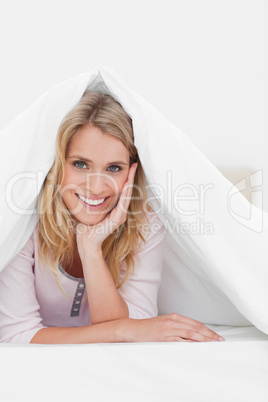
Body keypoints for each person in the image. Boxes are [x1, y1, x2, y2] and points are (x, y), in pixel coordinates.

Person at [0, 91, 224, 344]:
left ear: (132, 171)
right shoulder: (24, 219)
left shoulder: (146, 223)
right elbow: (16, 336)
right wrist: (122, 330)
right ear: (57, 164)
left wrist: (91, 247)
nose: (96, 188)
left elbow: (139, 321)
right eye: (81, 164)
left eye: (114, 168)